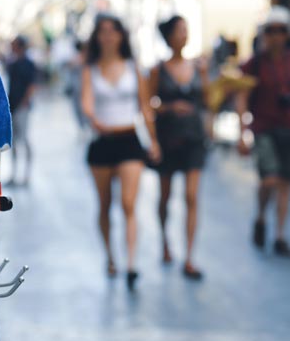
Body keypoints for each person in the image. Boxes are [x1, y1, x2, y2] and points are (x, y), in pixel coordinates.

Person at [80, 15, 159, 290]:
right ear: (97, 37)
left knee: (128, 203)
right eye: (103, 32)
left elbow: (145, 106)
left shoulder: (132, 67)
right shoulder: (90, 69)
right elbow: (87, 102)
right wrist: (94, 119)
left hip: (129, 139)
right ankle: (110, 256)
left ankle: (132, 263)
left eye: (114, 32)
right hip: (102, 141)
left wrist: (153, 140)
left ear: (122, 36)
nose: (109, 37)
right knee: (105, 204)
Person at [236, 6, 290, 258]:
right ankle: (260, 216)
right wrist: (242, 131)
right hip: (264, 128)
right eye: (271, 31)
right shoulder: (254, 64)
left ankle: (280, 236)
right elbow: (242, 96)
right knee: (269, 179)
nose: (277, 36)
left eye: (281, 31)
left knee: (285, 184)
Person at [148, 15, 209, 279]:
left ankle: (190, 255)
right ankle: (164, 240)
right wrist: (169, 107)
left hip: (194, 136)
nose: (184, 35)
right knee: (165, 196)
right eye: (180, 30)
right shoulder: (157, 70)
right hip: (168, 136)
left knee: (192, 196)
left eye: (186, 30)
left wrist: (210, 125)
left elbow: (207, 99)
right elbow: (148, 103)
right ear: (169, 36)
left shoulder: (198, 66)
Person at [6, 35, 37, 186]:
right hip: (13, 105)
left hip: (21, 106)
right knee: (15, 141)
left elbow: (31, 85)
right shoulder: (13, 63)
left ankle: (26, 175)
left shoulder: (28, 64)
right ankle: (15, 174)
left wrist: (24, 102)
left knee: (23, 139)